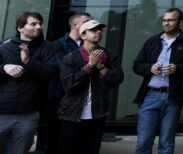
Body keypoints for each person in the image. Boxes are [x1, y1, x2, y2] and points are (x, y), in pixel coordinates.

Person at [132, 8, 183, 154]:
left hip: (172, 96)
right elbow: (137, 65)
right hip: (150, 95)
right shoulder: (152, 41)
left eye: (171, 20)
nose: (166, 23)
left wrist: (177, 68)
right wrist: (150, 68)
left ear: (180, 22)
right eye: (164, 20)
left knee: (166, 142)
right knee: (143, 141)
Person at [57, 19, 124, 154]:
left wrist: (101, 68)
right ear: (83, 35)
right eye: (93, 30)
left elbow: (117, 79)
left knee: (91, 149)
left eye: (100, 30)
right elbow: (69, 85)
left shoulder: (108, 55)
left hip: (97, 113)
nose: (99, 32)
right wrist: (89, 67)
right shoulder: (71, 57)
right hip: (72, 114)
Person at [0, 12, 58, 154]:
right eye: (33, 24)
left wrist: (28, 62)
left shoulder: (47, 47)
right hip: (2, 112)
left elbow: (49, 74)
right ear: (20, 27)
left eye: (40, 24)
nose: (38, 27)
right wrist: (4, 68)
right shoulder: (4, 47)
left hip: (28, 114)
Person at [42, 12, 90, 154]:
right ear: (75, 25)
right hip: (59, 96)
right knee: (54, 137)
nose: (90, 24)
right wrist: (88, 66)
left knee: (76, 139)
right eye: (86, 22)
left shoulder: (90, 46)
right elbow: (62, 68)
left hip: (81, 97)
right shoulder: (57, 45)